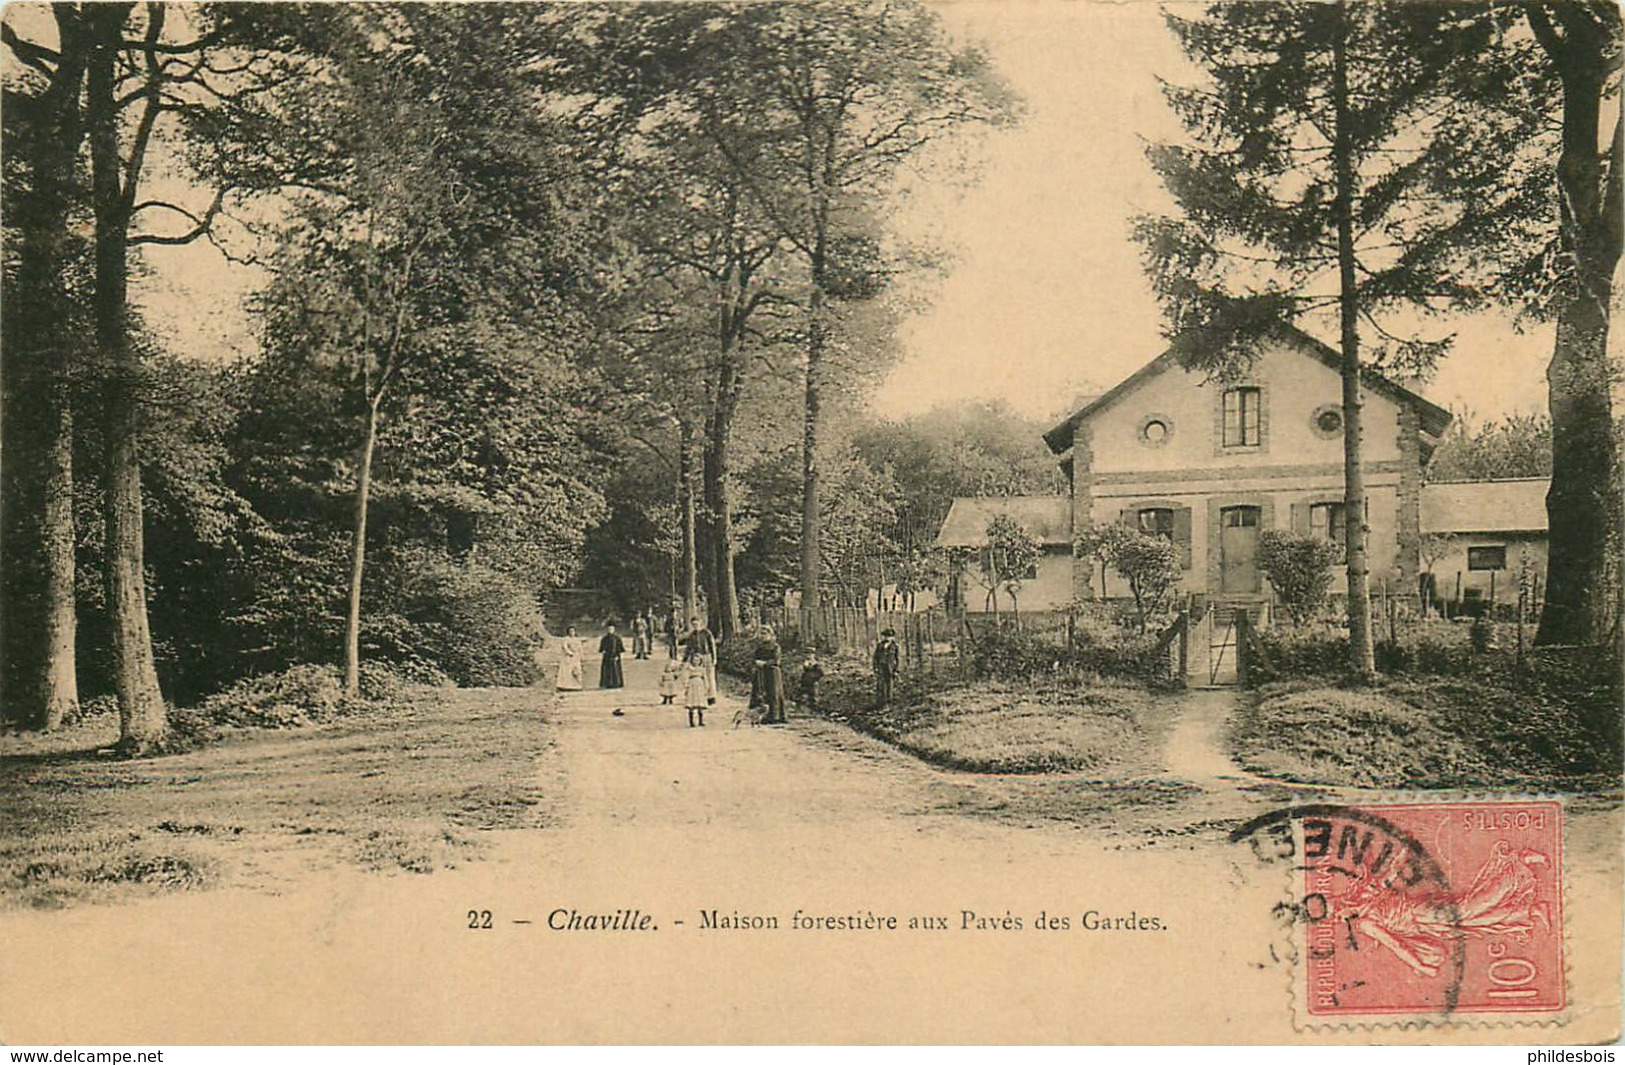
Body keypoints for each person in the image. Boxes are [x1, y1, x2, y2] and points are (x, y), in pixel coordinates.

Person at [752, 626, 787, 725]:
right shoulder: (760, 647)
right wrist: (756, 662)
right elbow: (755, 657)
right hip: (761, 672)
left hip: (773, 672)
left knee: (774, 693)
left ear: (770, 635)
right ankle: (764, 715)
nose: (763, 636)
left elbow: (776, 660)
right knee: (762, 692)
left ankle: (776, 716)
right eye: (761, 634)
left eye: (765, 634)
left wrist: (765, 664)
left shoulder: (776, 647)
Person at [680, 616, 717, 705]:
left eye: (696, 624)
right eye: (693, 624)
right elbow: (688, 648)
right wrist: (684, 660)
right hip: (696, 657)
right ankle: (699, 696)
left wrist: (714, 658)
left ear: (700, 623)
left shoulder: (707, 633)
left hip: (706, 656)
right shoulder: (692, 635)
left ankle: (711, 696)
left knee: (709, 676)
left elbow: (712, 646)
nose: (695, 626)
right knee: (698, 676)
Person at [873, 628, 901, 708]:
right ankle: (880, 703)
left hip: (890, 668)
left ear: (893, 637)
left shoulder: (895, 647)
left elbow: (898, 659)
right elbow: (875, 658)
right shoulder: (880, 646)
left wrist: (896, 670)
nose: (888, 638)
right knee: (880, 685)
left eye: (890, 636)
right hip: (881, 667)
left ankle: (888, 703)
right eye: (886, 636)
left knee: (889, 685)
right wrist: (875, 668)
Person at [555, 627, 584, 691]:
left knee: (576, 670)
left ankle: (577, 686)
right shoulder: (566, 639)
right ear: (568, 632)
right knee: (567, 671)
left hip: (576, 657)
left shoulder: (577, 640)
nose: (572, 632)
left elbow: (580, 648)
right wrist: (570, 653)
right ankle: (566, 686)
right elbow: (565, 647)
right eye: (570, 631)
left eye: (573, 631)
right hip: (568, 657)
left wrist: (581, 656)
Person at [598, 624, 626, 689]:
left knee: (615, 669)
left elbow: (619, 648)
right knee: (607, 669)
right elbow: (602, 648)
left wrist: (617, 655)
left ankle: (617, 683)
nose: (610, 630)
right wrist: (603, 650)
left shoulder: (617, 638)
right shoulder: (604, 638)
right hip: (607, 656)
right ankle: (607, 683)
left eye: (611, 629)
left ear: (614, 630)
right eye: (609, 629)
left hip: (615, 655)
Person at [683, 661, 710, 728]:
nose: (695, 662)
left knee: (700, 703)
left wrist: (706, 686)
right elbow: (686, 677)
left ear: (700, 661)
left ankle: (700, 721)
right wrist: (686, 686)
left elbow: (705, 678)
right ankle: (691, 722)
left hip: (700, 685)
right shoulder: (689, 668)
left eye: (697, 660)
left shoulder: (702, 669)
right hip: (692, 685)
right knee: (691, 703)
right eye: (694, 660)